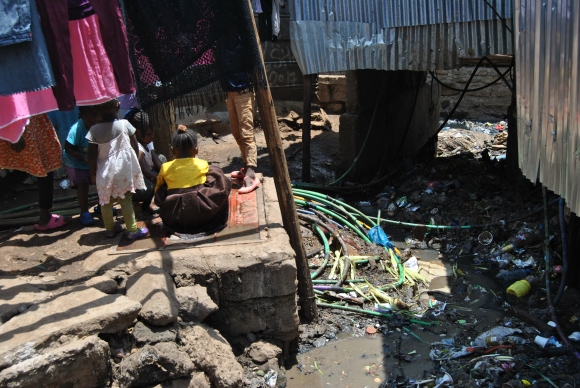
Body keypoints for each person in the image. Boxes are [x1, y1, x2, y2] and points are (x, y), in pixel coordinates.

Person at [86, 99, 149, 239]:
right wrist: (133, 167)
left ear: (95, 109)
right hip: (123, 171)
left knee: (105, 201)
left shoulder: (94, 130)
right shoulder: (125, 125)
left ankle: (109, 229)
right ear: (118, 106)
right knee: (125, 200)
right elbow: (135, 147)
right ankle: (132, 230)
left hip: (104, 172)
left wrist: (92, 174)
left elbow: (91, 156)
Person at [0, 114, 72, 230]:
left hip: (31, 121)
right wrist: (14, 131)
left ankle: (45, 216)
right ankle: (45, 217)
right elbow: (8, 102)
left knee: (29, 169)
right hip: (22, 125)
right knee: (41, 165)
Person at [154, 126, 231, 234]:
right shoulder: (202, 164)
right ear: (197, 149)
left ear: (172, 150)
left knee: (163, 187)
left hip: (175, 217)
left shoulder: (165, 167)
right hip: (204, 214)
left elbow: (158, 193)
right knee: (216, 173)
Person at [63, 106, 102, 226]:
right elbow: (68, 148)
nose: (94, 125)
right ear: (82, 116)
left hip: (91, 159)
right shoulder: (76, 130)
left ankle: (103, 207)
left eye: (97, 122)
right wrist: (82, 157)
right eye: (91, 122)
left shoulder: (100, 126)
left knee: (103, 181)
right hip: (77, 162)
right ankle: (84, 212)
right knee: (83, 185)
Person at [127, 111, 167, 212]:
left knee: (161, 158)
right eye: (149, 133)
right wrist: (166, 183)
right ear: (136, 132)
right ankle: (152, 201)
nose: (153, 136)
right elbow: (147, 173)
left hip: (147, 178)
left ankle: (152, 199)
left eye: (153, 132)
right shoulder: (138, 149)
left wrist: (169, 175)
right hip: (138, 189)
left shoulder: (147, 142)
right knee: (157, 181)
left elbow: (157, 162)